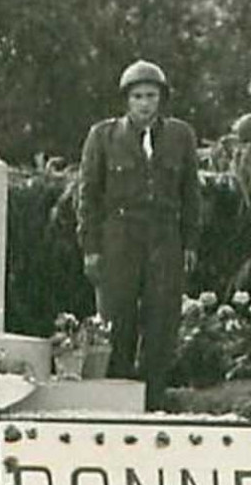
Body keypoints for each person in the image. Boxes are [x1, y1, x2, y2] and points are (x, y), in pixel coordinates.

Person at [77, 59, 200, 410]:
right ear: (126, 100)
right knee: (117, 320)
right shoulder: (103, 136)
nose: (145, 103)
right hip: (119, 237)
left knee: (162, 322)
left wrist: (190, 242)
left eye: (152, 95)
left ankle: (154, 401)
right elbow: (88, 196)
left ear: (162, 98)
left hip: (165, 238)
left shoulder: (180, 136)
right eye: (138, 96)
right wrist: (91, 248)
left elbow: (191, 194)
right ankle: (118, 402)